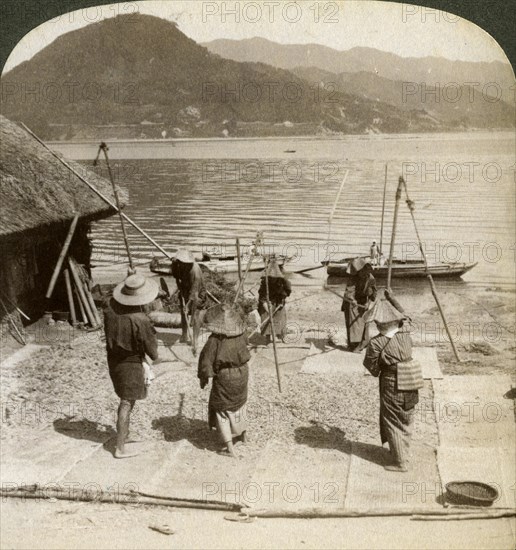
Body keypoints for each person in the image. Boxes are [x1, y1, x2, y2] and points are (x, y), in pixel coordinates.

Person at [104, 274, 160, 458]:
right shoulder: (139, 319)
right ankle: (120, 448)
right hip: (130, 362)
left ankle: (123, 435)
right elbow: (150, 347)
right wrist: (153, 357)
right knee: (127, 402)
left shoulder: (110, 311)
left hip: (114, 360)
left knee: (126, 398)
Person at [363, 295, 418, 473]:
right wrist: (392, 298)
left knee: (392, 418)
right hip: (412, 377)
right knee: (407, 414)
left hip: (392, 380)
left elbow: (371, 367)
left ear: (379, 323)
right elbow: (405, 314)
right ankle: (403, 451)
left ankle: (400, 462)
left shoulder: (377, 342)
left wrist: (380, 369)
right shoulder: (405, 331)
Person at [198, 304, 251, 457]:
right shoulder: (241, 334)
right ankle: (243, 435)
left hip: (225, 375)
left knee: (221, 409)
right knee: (239, 404)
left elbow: (205, 360)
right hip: (242, 372)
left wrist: (204, 377)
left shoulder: (215, 340)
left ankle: (229, 448)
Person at [171, 248, 206, 355]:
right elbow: (176, 276)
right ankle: (184, 335)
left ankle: (195, 340)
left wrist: (188, 304)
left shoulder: (195, 271)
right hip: (185, 290)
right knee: (183, 312)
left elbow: (194, 293)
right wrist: (173, 265)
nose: (182, 265)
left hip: (198, 294)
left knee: (196, 315)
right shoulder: (178, 265)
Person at [341, 258, 377, 352]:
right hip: (351, 302)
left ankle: (363, 343)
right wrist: (352, 300)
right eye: (360, 272)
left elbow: (372, 294)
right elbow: (349, 291)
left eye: (365, 272)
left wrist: (368, 304)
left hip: (363, 301)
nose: (363, 274)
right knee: (351, 321)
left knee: (365, 320)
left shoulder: (371, 278)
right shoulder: (353, 278)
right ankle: (352, 344)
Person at [258, 258, 292, 344]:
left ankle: (282, 336)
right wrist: (268, 309)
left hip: (278, 301)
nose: (273, 279)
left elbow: (285, 293)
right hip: (267, 302)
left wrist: (281, 302)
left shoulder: (283, 282)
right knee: (266, 316)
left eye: (274, 278)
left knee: (281, 316)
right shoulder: (265, 283)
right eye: (271, 277)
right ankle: (268, 337)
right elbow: (262, 298)